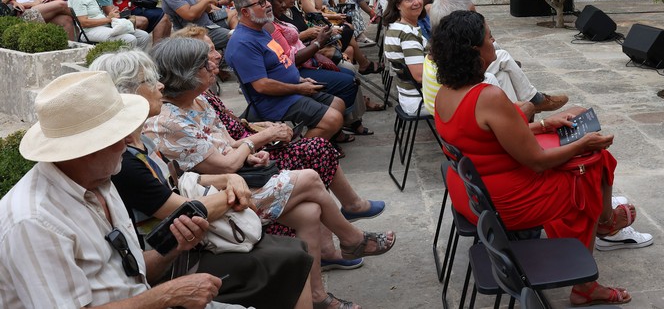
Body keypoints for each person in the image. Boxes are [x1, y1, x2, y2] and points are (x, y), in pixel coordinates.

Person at [146, 37, 396, 309]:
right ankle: (353, 238)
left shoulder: (200, 100)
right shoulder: (169, 121)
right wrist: (255, 142)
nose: (214, 64)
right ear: (187, 75)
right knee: (311, 176)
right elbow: (225, 167)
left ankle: (317, 296)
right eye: (204, 64)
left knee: (310, 211)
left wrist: (251, 154)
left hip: (241, 181)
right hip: (222, 199)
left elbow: (228, 144)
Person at [433, 10, 648, 306]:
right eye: (489, 37)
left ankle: (601, 224)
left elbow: (489, 137)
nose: (494, 42)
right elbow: (537, 161)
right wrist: (582, 143)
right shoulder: (487, 97)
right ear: (474, 51)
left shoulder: (445, 93)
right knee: (588, 170)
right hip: (506, 203)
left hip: (473, 196)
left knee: (585, 164)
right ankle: (588, 277)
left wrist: (546, 124)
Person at [92, 49, 315, 309]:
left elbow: (180, 179)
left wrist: (228, 179)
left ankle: (325, 283)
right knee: (291, 256)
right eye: (150, 80)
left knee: (300, 235)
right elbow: (183, 210)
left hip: (189, 241)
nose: (160, 85)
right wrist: (232, 188)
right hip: (171, 258)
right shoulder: (127, 159)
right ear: (127, 93)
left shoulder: (144, 141)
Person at [0, 71, 241, 308]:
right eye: (118, 135)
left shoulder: (98, 178)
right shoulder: (34, 221)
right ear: (87, 149)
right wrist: (168, 295)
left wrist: (175, 247)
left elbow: (129, 274)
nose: (127, 143)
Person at [224, 0, 348, 141]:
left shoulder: (261, 30)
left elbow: (281, 62)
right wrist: (299, 88)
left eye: (266, 0)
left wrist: (300, 80)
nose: (268, 4)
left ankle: (319, 144)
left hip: (291, 89)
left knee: (338, 104)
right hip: (273, 102)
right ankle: (296, 152)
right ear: (245, 12)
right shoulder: (243, 43)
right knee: (333, 119)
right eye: (261, 2)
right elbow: (262, 85)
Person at [421, 0, 568, 117]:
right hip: (460, 110)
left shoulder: (443, 49)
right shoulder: (453, 60)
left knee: (503, 75)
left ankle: (522, 115)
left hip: (456, 106)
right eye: (473, 15)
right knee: (502, 57)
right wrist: (541, 122)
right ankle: (531, 101)